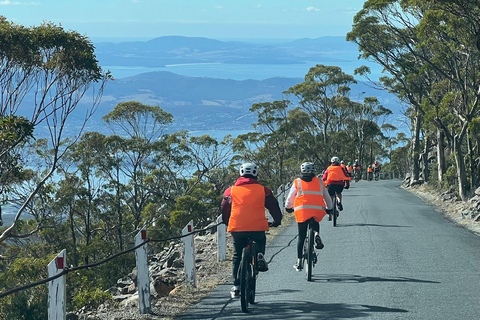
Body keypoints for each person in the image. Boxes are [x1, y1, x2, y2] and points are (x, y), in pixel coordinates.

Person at [221, 162, 282, 298]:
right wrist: (277, 220)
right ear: (256, 174)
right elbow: (274, 207)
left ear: (241, 173)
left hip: (237, 228)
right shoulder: (264, 190)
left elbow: (224, 208)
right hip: (257, 227)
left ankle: (236, 286)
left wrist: (226, 222)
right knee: (260, 239)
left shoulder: (230, 191)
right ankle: (260, 254)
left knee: (237, 255)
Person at [285, 162, 333, 271]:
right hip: (317, 210)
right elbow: (327, 197)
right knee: (315, 221)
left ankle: (299, 261)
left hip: (302, 211)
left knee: (301, 236)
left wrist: (288, 207)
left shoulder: (297, 182)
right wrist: (330, 209)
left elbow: (290, 197)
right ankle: (316, 234)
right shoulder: (320, 182)